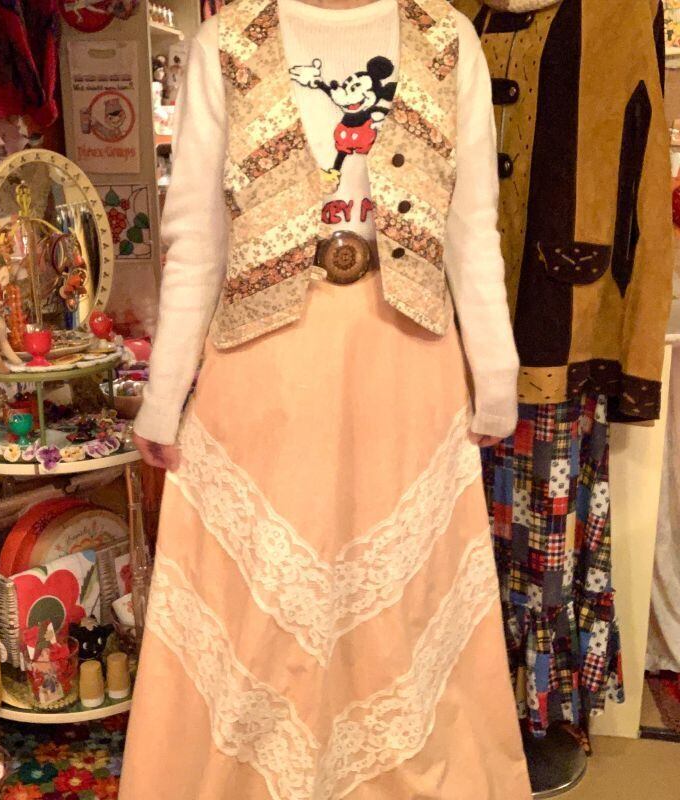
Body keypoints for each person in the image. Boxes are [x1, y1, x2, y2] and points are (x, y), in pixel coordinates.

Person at [120, 0, 532, 796]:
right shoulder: (224, 43)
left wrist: (496, 375)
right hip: (262, 370)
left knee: (400, 619)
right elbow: (196, 238)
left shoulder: (449, 39)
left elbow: (472, 229)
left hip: (406, 365)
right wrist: (163, 394)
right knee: (261, 614)